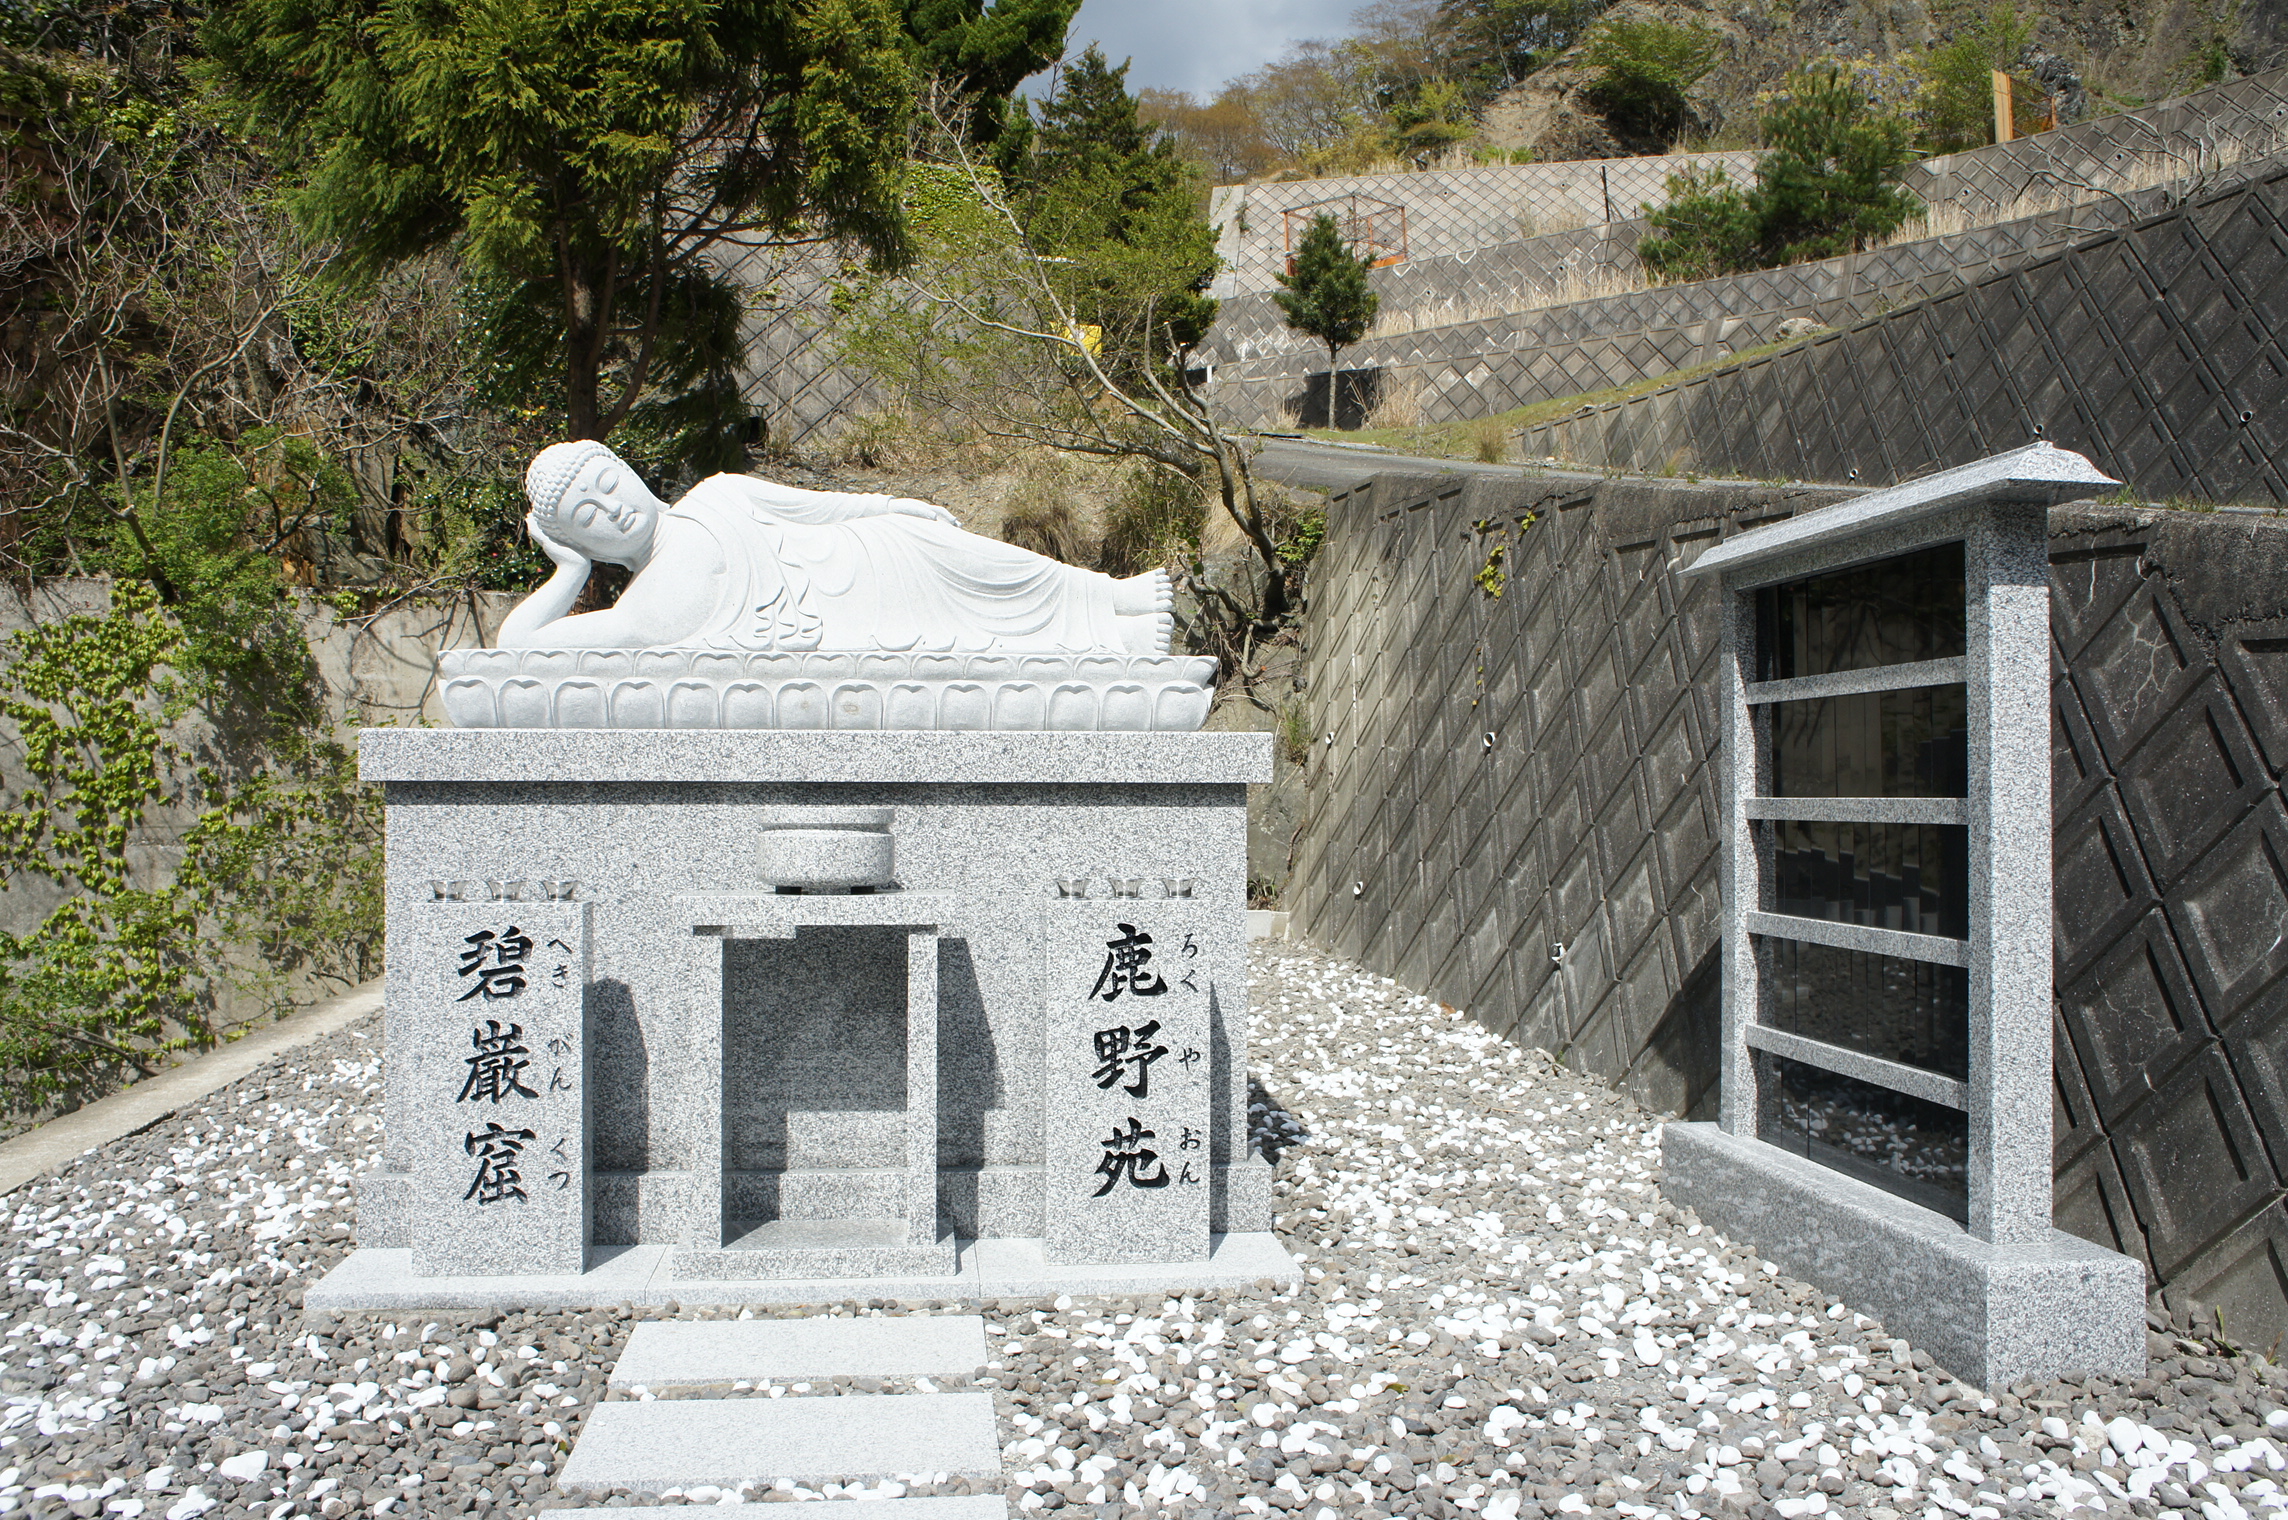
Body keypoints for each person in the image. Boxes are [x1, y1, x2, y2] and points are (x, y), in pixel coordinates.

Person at [497, 440, 1175, 655]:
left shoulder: (719, 493)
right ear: (579, 536)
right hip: (850, 629)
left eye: (608, 483)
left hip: (869, 554)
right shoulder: (641, 612)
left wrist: (890, 505)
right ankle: (1110, 643)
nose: (612, 507)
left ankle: (1108, 596)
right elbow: (516, 645)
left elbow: (820, 507)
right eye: (588, 515)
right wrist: (568, 571)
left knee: (971, 560)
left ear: (629, 469)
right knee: (979, 642)